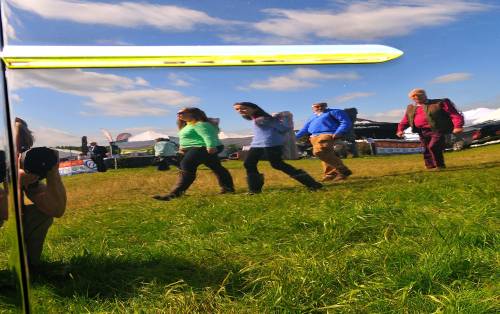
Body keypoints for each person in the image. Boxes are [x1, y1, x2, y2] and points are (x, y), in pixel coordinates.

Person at [233, 102, 322, 193]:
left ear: (254, 108)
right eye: (237, 109)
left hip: (271, 145)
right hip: (256, 145)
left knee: (277, 164)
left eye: (243, 108)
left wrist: (282, 117)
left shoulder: (264, 119)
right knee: (249, 164)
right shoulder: (257, 118)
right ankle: (254, 190)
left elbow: (283, 128)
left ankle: (312, 184)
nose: (240, 111)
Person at [14, 118, 67, 270]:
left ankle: (29, 267)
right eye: (15, 147)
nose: (19, 153)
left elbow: (56, 209)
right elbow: (5, 211)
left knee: (39, 215)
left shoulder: (24, 170)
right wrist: (12, 182)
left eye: (24, 147)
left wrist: (52, 171)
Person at [153, 107, 234, 201]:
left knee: (186, 166)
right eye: (178, 113)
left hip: (203, 147)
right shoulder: (187, 125)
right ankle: (228, 189)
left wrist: (210, 146)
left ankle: (175, 194)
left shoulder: (200, 124)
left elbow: (208, 135)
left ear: (193, 113)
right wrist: (182, 149)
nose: (179, 114)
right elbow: (186, 139)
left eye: (182, 112)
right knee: (217, 167)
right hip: (197, 148)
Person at [397, 89, 464, 170]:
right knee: (426, 148)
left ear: (425, 95)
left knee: (433, 146)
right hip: (422, 131)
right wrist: (400, 129)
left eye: (419, 95)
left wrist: (458, 126)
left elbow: (454, 114)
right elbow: (406, 120)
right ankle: (430, 166)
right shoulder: (411, 108)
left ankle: (439, 165)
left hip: (437, 130)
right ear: (411, 98)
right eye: (414, 96)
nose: (417, 97)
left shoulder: (439, 103)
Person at [295, 102, 353, 182]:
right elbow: (305, 129)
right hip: (313, 137)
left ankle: (343, 170)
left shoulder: (334, 112)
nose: (319, 107)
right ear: (313, 108)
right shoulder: (312, 117)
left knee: (319, 152)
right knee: (325, 154)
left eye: (322, 106)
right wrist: (294, 137)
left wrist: (339, 132)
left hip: (327, 134)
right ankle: (331, 174)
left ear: (326, 106)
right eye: (317, 106)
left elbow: (345, 122)